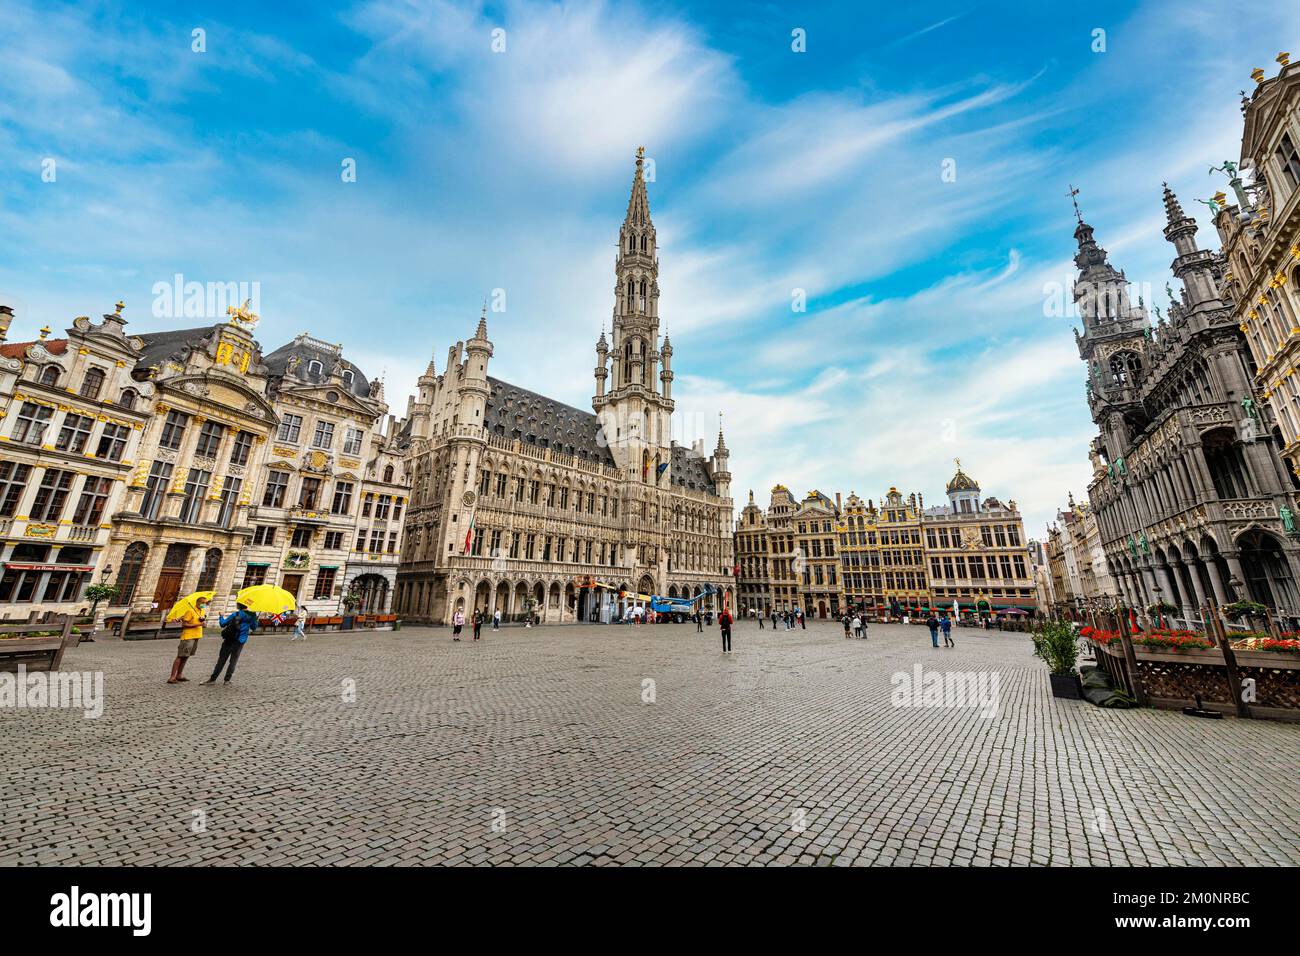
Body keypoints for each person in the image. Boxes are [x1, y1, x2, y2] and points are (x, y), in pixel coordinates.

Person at [204, 602, 257, 684]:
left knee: (222, 660)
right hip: (241, 641)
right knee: (234, 660)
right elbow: (253, 628)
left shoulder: (236, 614)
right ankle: (227, 680)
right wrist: (255, 620)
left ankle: (213, 679)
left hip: (230, 639)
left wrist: (221, 616)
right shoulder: (252, 615)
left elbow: (222, 624)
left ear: (239, 606)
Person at [168, 596, 208, 683]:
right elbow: (184, 625)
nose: (204, 605)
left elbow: (200, 622)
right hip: (188, 637)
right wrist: (199, 625)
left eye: (205, 603)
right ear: (197, 603)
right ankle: (172, 677)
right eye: (203, 603)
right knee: (180, 656)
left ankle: (179, 675)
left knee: (186, 656)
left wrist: (203, 624)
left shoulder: (201, 611)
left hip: (196, 636)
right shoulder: (190, 611)